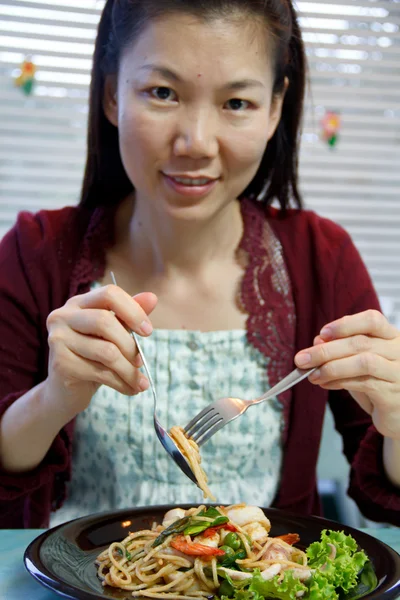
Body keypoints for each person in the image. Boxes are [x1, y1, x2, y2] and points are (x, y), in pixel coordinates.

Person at [0, 0, 399, 530]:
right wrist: (53, 399)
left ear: (276, 107)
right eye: (162, 93)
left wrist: (397, 421)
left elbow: (383, 499)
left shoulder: (321, 256)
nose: (195, 143)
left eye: (236, 102)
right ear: (112, 94)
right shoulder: (34, 250)